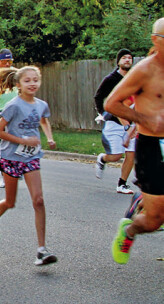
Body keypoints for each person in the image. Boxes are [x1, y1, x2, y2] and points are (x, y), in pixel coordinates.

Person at [106, 17, 164, 264]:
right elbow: (111, 103)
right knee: (153, 221)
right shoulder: (144, 70)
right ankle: (129, 230)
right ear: (155, 40)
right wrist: (144, 120)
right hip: (152, 147)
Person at [0, 66, 58, 266]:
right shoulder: (13, 106)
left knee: (38, 200)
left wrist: (49, 138)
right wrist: (22, 141)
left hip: (31, 158)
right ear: (18, 85)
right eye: (27, 80)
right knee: (10, 202)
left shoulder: (41, 105)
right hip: (12, 157)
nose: (32, 84)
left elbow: (44, 121)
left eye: (35, 80)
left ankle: (41, 250)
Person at [94, 49, 136, 194]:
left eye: (130, 58)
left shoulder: (134, 78)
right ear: (118, 61)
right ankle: (103, 159)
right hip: (114, 123)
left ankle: (122, 184)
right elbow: (98, 97)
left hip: (131, 124)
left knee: (131, 153)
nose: (127, 60)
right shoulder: (111, 79)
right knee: (116, 156)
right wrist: (102, 114)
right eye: (124, 58)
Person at [0, 66, 20, 188]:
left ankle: (15, 169)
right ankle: (4, 176)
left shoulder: (17, 81)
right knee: (3, 146)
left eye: (10, 61)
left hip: (14, 115)